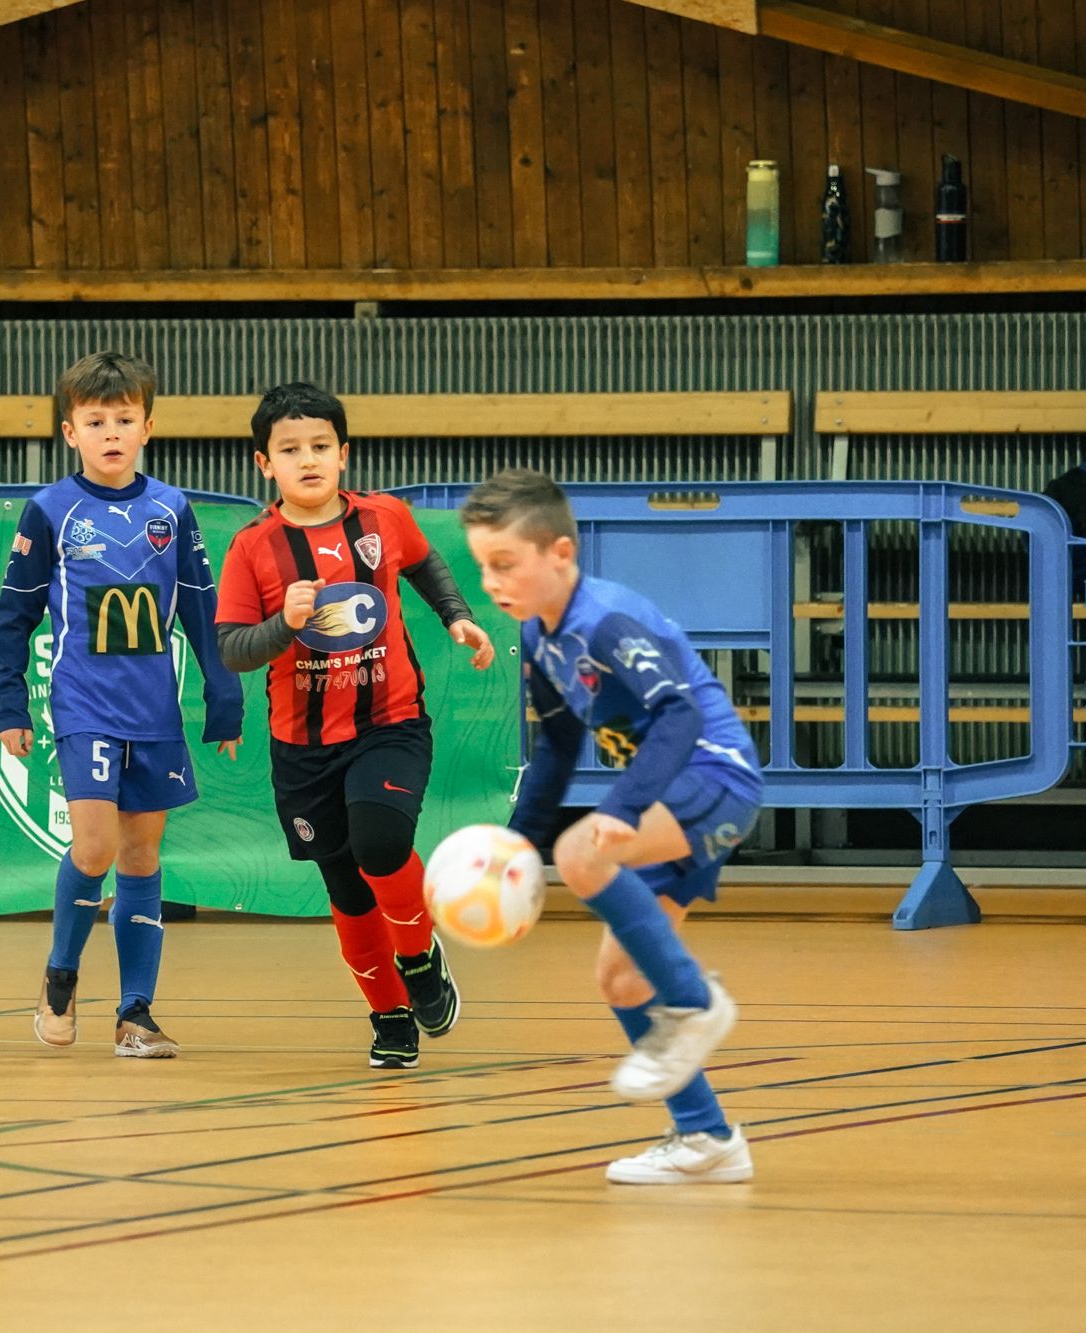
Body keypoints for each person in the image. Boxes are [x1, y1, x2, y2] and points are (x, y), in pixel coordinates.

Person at [459, 468, 759, 1185]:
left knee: (583, 851)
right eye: (482, 567)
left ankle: (694, 1002)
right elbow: (558, 745)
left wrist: (621, 810)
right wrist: (517, 845)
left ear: (559, 553)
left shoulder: (608, 620)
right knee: (621, 979)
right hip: (670, 794)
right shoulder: (537, 639)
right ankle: (709, 1140)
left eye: (505, 564)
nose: (493, 582)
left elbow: (681, 715)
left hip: (715, 777)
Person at [215, 383, 493, 1069]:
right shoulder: (252, 548)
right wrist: (287, 623)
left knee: (380, 842)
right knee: (344, 888)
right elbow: (231, 647)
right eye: (290, 450)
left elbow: (423, 561)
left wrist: (456, 614)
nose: (307, 459)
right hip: (303, 747)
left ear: (343, 453)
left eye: (319, 446)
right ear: (264, 464)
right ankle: (389, 1013)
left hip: (388, 723)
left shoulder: (383, 517)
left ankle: (420, 958)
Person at [0, 351, 243, 1058]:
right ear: (70, 432)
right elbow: (12, 616)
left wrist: (224, 697)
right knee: (96, 844)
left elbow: (200, 607)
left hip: (154, 711)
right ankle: (62, 974)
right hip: (83, 703)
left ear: (148, 427)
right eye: (95, 421)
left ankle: (136, 1013)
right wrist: (10, 704)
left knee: (141, 854)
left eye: (124, 419)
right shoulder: (50, 511)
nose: (111, 432)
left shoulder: (171, 508)